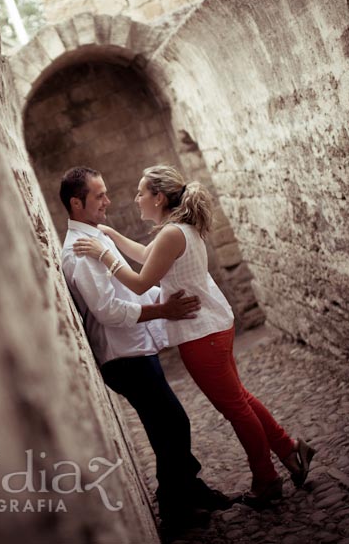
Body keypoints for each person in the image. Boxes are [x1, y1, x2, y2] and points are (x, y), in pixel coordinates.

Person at [73, 165, 316, 509]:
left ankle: (267, 480)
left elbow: (141, 282)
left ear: (158, 197)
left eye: (141, 192)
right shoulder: (177, 230)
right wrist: (111, 236)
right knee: (240, 399)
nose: (136, 198)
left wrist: (104, 255)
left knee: (236, 408)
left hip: (203, 335)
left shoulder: (173, 233)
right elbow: (147, 256)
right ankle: (291, 451)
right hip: (213, 326)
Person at [59, 167, 233, 534]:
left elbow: (131, 288)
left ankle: (191, 490)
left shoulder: (95, 238)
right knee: (172, 424)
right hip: (123, 357)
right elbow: (110, 310)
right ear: (76, 203)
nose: (108, 200)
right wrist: (164, 310)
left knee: (166, 426)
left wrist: (170, 296)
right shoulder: (79, 252)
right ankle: (174, 511)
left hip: (136, 348)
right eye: (99, 196)